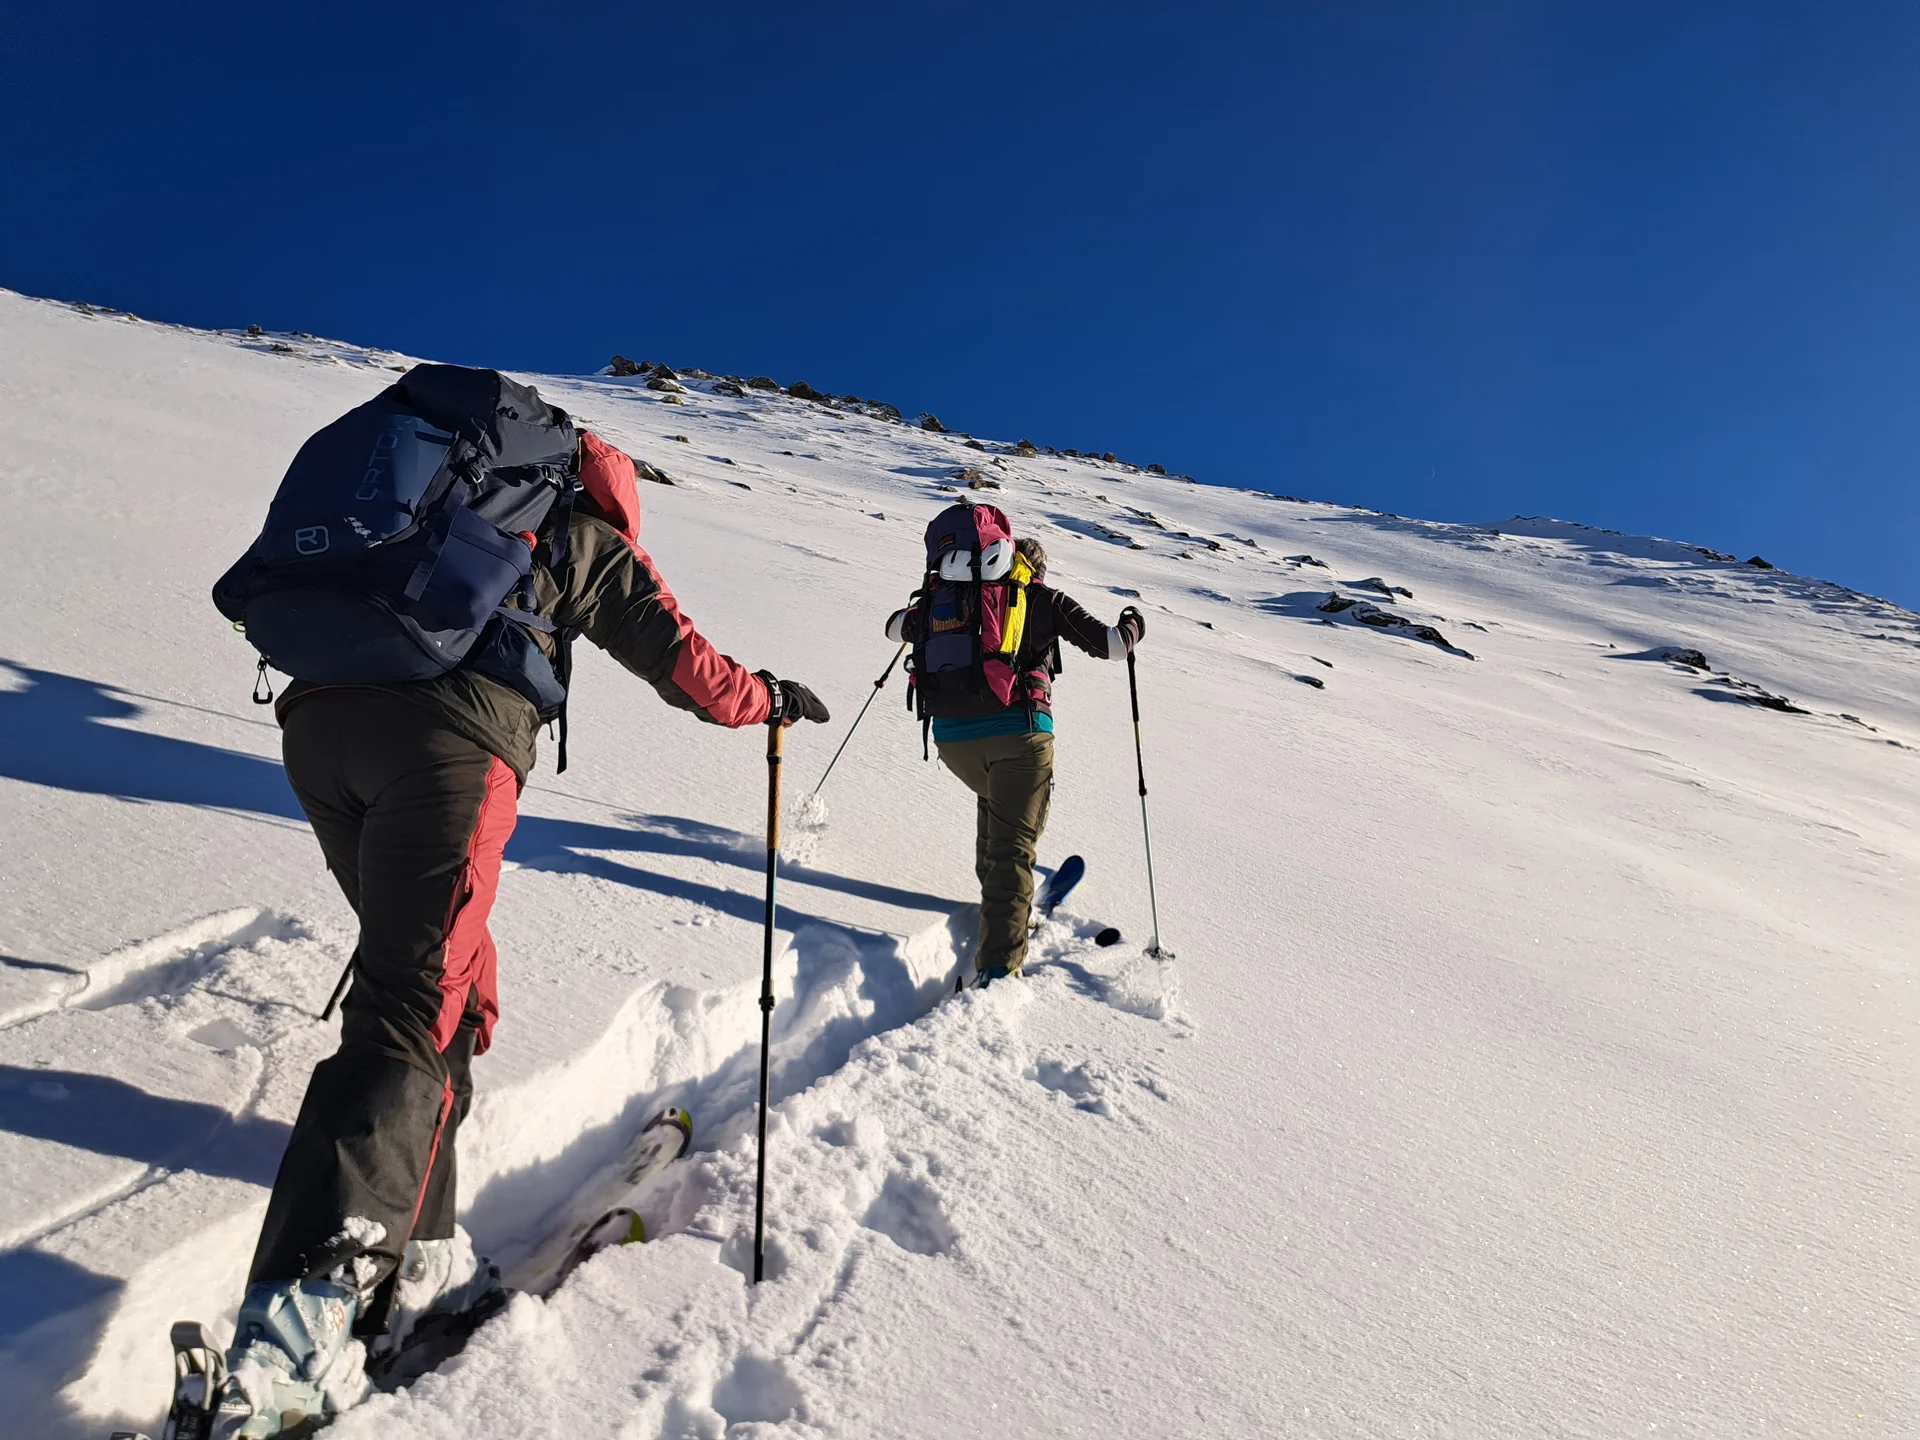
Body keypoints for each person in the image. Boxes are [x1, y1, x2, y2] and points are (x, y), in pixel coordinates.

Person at [212, 428, 828, 1438]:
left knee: (438, 986)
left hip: (317, 733)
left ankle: (425, 1247)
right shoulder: (575, 535)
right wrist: (766, 700)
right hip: (446, 746)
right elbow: (684, 662)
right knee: (408, 1017)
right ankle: (293, 1341)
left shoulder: (414, 517)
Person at [886, 532, 1143, 984]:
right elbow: (1113, 646)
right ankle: (999, 967)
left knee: (996, 807)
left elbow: (892, 627)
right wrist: (1134, 624)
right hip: (1020, 734)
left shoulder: (950, 597)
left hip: (951, 739)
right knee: (1014, 849)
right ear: (1036, 568)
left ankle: (1003, 904)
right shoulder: (1042, 599)